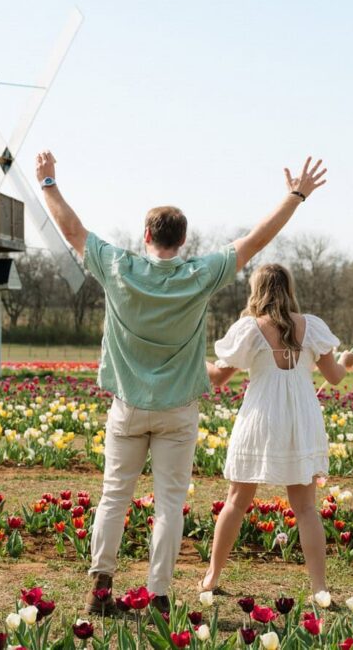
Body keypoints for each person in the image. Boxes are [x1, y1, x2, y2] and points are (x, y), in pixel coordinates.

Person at [34, 150, 328, 615]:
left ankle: (101, 589)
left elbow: (71, 231)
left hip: (127, 404)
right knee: (169, 505)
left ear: (146, 236)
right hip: (177, 411)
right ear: (184, 239)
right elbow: (256, 239)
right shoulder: (199, 275)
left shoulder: (118, 268)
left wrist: (48, 184)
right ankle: (159, 596)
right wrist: (295, 195)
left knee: (115, 496)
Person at [200, 264, 353, 597]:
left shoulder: (250, 329)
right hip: (300, 418)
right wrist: (346, 361)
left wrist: (187, 357)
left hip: (262, 417)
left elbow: (216, 377)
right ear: (289, 289)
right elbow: (335, 377)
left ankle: (212, 577)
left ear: (256, 290)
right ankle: (319, 588)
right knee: (305, 508)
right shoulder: (312, 327)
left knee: (236, 501)